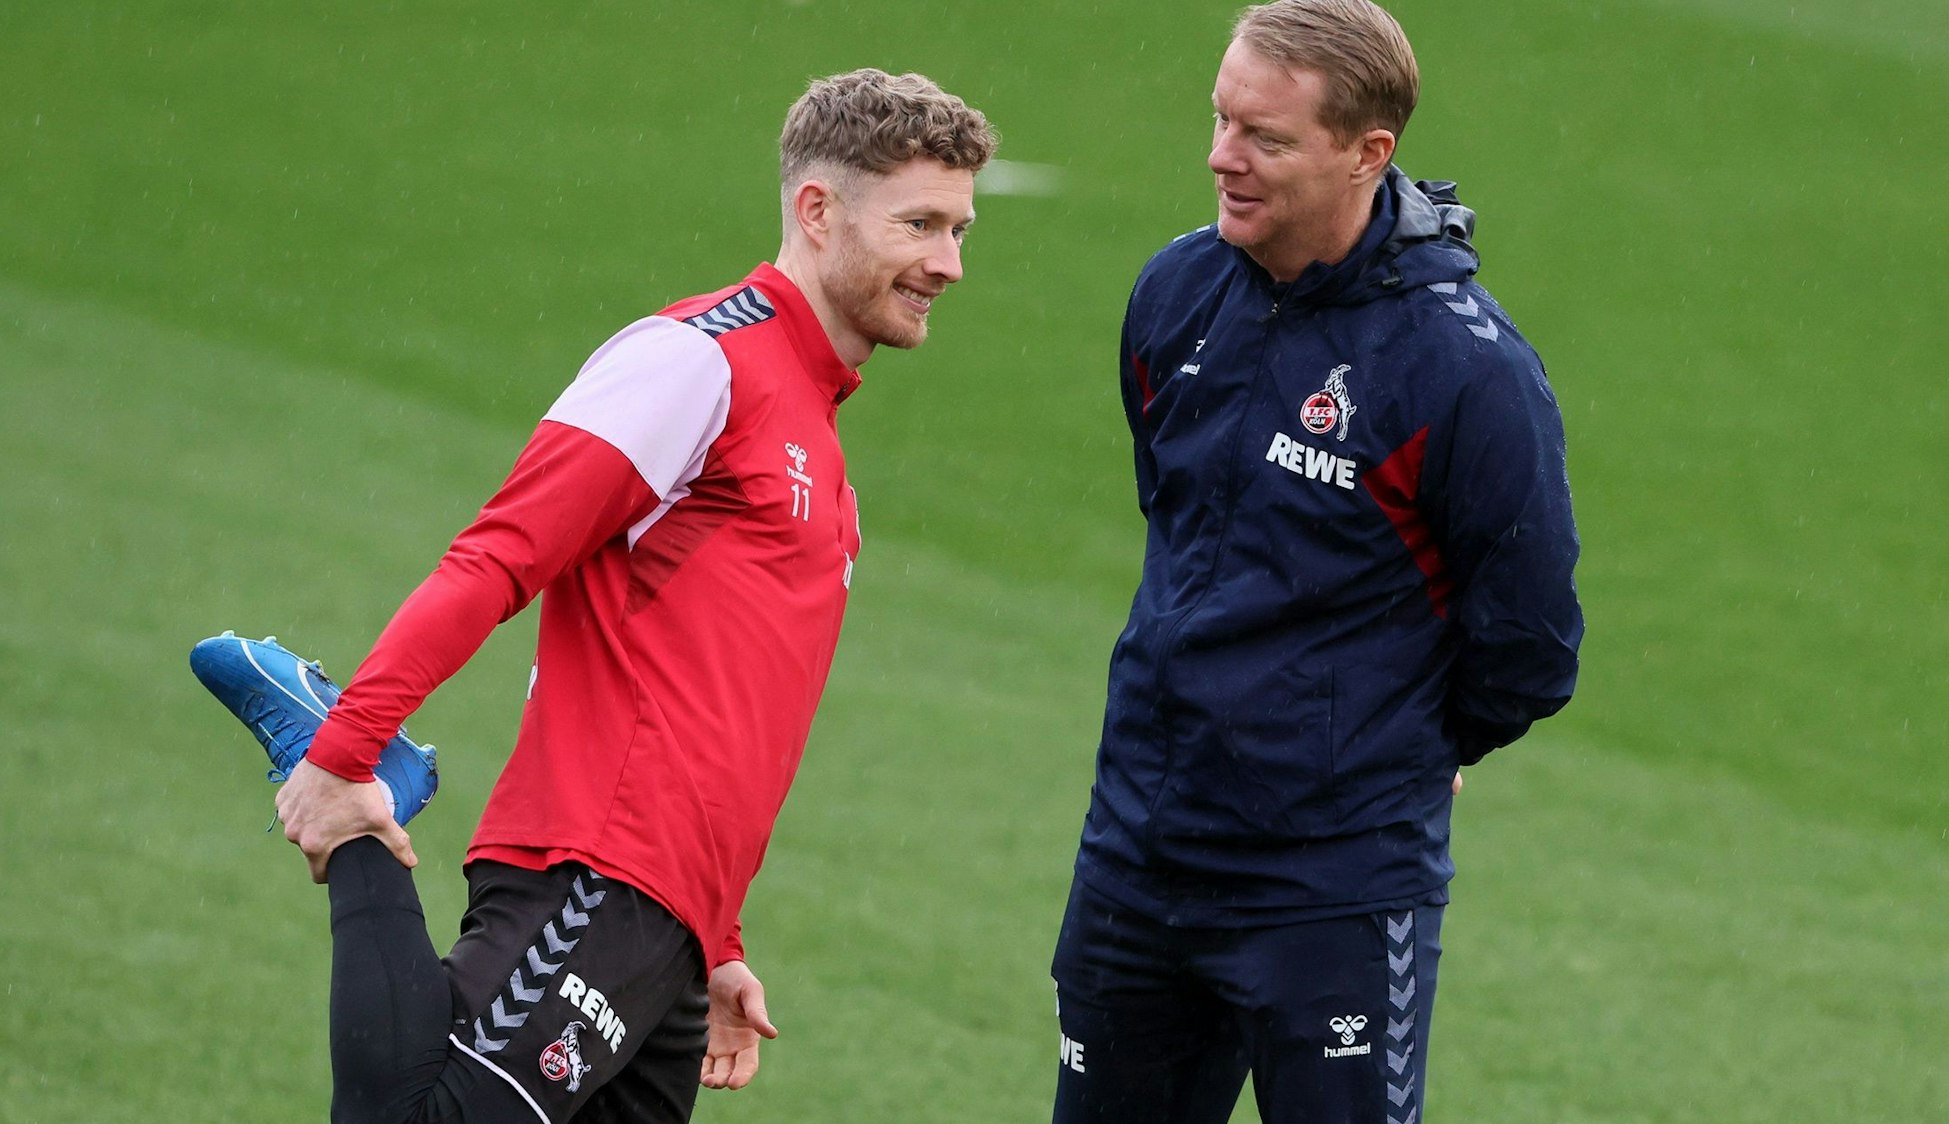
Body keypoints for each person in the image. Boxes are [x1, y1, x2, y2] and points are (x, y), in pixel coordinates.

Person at [251, 69, 994, 1124]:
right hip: (593, 862)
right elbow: (499, 556)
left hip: (669, 927)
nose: (948, 263)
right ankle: (347, 804)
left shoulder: (824, 458)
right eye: (921, 223)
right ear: (817, 211)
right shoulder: (696, 362)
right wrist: (345, 754)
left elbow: (745, 714)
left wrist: (718, 936)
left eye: (961, 229)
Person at [1049, 3, 1583, 1122]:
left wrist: (1393, 746)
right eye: (1219, 119)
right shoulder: (1175, 293)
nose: (1220, 156)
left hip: (1330, 889)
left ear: (1366, 152)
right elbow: (1179, 524)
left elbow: (1528, 644)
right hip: (1137, 853)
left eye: (1264, 139)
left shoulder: (1464, 373)